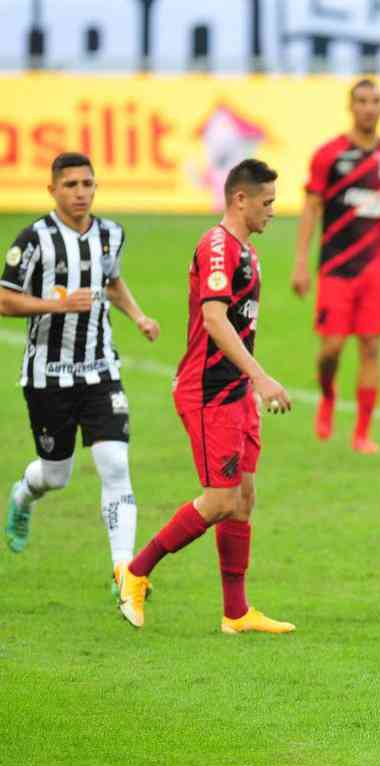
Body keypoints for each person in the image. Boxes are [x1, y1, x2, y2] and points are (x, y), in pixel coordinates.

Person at [115, 159, 295, 635]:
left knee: (244, 498)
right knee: (219, 500)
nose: (273, 211)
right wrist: (260, 377)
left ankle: (236, 613)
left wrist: (249, 384)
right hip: (208, 392)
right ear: (240, 199)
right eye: (267, 201)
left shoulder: (247, 252)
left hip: (234, 392)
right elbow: (215, 321)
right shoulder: (217, 247)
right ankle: (136, 571)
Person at [1, 152, 159, 586]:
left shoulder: (110, 233)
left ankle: (124, 571)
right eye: (70, 185)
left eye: (87, 184)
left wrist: (139, 316)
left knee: (115, 466)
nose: (80, 193)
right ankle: (22, 496)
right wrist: (56, 305)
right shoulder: (33, 240)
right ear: (52, 190)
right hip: (48, 377)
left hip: (101, 371)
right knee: (56, 475)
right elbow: (4, 299)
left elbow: (111, 280)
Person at [292, 78, 380, 453]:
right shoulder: (328, 155)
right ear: (351, 106)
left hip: (376, 266)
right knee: (331, 348)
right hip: (336, 265)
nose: (368, 107)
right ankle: (328, 397)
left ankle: (362, 432)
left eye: (375, 101)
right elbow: (311, 207)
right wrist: (301, 261)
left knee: (371, 347)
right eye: (362, 101)